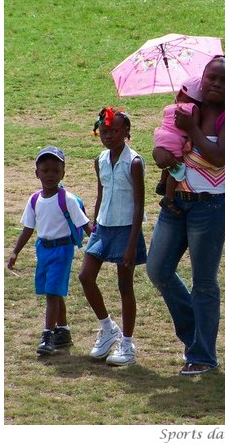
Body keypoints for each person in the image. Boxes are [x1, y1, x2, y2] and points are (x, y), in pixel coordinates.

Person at [146, 55, 225, 375]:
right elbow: (167, 147)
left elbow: (217, 158)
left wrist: (193, 130)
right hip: (176, 205)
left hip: (211, 208)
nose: (216, 84)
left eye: (224, 80)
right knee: (158, 269)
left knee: (204, 283)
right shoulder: (186, 108)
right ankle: (194, 337)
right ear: (202, 78)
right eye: (212, 78)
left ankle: (203, 354)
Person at [7, 146, 92, 356]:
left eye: (56, 170)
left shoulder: (68, 199)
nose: (50, 175)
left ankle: (48, 335)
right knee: (52, 291)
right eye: (45, 170)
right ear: (37, 173)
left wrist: (100, 244)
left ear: (63, 172)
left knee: (52, 293)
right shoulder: (35, 199)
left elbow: (86, 225)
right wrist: (15, 251)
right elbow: (28, 227)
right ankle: (63, 331)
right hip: (43, 250)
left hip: (62, 251)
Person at [78, 108, 147, 366]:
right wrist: (94, 226)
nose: (108, 136)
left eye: (114, 131)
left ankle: (127, 344)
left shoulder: (135, 162)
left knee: (124, 286)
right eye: (103, 131)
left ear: (126, 132)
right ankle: (108, 329)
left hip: (126, 229)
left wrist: (131, 243)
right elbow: (101, 194)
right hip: (103, 228)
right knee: (85, 277)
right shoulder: (100, 160)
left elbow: (139, 204)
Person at [154, 76, 203, 216]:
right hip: (175, 139)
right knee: (178, 169)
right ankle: (168, 198)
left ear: (180, 93)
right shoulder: (193, 108)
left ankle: (162, 182)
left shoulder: (168, 107)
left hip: (160, 136)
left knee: (168, 161)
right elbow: (193, 127)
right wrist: (189, 142)